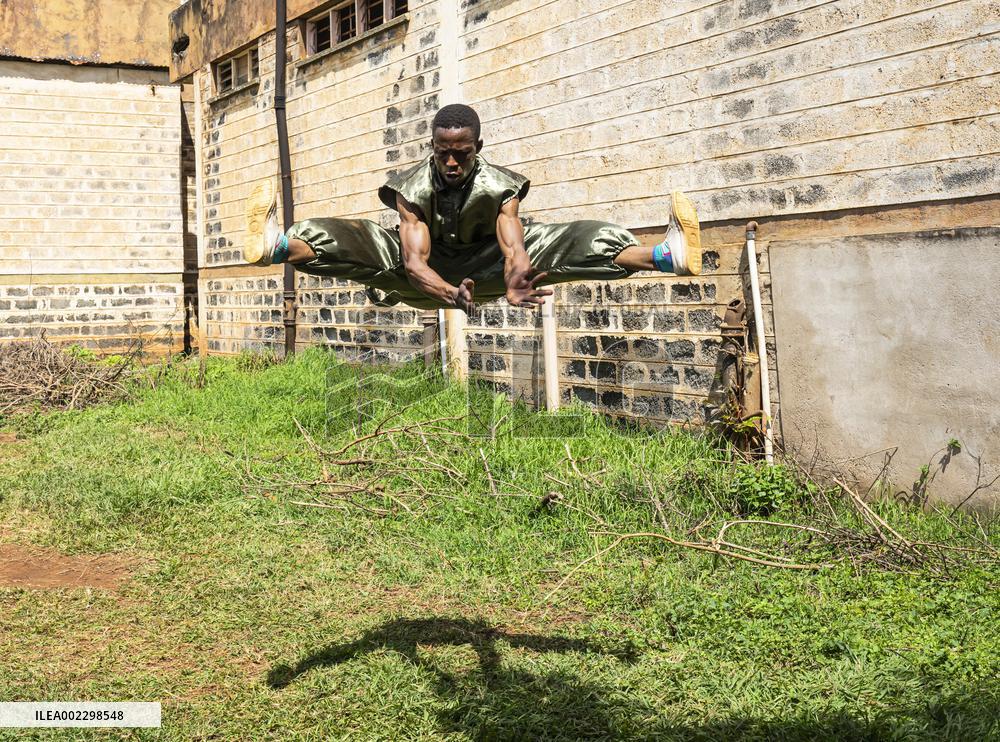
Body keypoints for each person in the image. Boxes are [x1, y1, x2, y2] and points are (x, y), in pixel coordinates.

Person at [243, 104, 702, 312]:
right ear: (432, 146)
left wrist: (517, 273)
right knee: (365, 240)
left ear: (477, 147)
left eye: (461, 152)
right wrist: (449, 294)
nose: (450, 161)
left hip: (486, 270)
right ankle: (276, 245)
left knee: (558, 238)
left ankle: (667, 256)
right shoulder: (412, 188)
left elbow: (514, 240)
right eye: (442, 151)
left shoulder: (500, 187)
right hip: (424, 279)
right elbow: (413, 261)